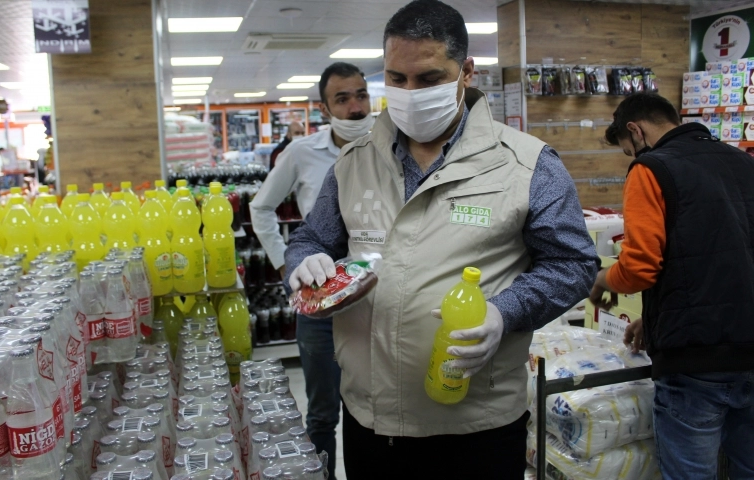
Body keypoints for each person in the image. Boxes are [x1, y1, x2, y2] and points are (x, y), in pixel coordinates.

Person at [283, 1, 598, 478]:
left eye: (428, 79)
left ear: (466, 72)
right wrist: (303, 263)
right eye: (396, 79)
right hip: (372, 423)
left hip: (478, 426)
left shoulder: (527, 165)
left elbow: (572, 264)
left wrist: (504, 312)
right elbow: (312, 238)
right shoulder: (353, 163)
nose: (409, 93)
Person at [590, 92, 754, 479]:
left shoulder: (651, 169)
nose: (633, 157)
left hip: (695, 363)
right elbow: (724, 257)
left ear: (635, 130)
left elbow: (640, 268)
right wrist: (656, 317)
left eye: (629, 150)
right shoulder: (742, 163)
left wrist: (601, 280)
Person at [249, 61, 374, 480]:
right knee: (322, 411)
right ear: (324, 108)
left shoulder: (391, 144)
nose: (356, 107)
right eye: (343, 98)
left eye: (361, 95)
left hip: (376, 296)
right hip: (319, 298)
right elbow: (261, 206)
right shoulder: (301, 153)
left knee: (374, 403)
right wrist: (286, 261)